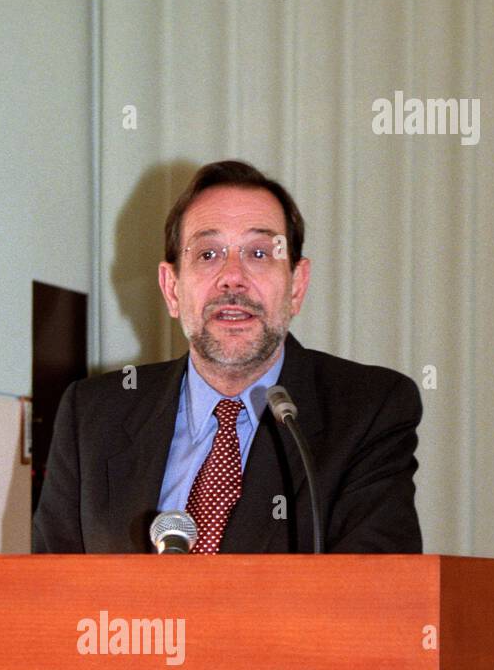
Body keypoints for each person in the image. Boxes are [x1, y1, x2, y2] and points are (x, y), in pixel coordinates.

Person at [33, 159, 423, 554]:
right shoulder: (93, 414)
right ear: (171, 289)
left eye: (258, 253)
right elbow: (49, 595)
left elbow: (381, 596)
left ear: (296, 286)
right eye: (207, 254)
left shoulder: (368, 410)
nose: (232, 277)